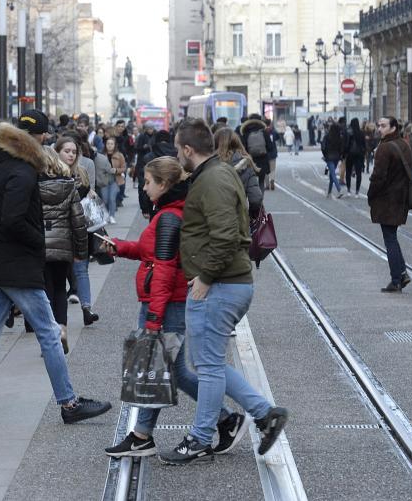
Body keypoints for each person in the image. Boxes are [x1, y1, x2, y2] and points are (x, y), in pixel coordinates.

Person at [0, 112, 112, 431]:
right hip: (19, 265)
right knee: (50, 333)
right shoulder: (24, 172)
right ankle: (69, 403)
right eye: (43, 136)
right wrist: (38, 242)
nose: (46, 141)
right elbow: (14, 220)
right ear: (36, 139)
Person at [163, 119, 287, 465]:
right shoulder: (215, 172)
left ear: (188, 150)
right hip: (225, 283)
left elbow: (226, 234)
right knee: (210, 364)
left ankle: (200, 437)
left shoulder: (214, 179)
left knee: (208, 368)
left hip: (219, 284)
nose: (177, 155)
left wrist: (204, 277)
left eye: (178, 149)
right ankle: (264, 414)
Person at [105, 156, 242, 458]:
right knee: (171, 370)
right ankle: (224, 418)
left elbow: (165, 268)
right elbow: (149, 252)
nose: (143, 187)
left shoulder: (168, 216)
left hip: (167, 303)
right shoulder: (167, 212)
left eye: (148, 181)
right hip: (169, 301)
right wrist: (121, 247)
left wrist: (154, 317)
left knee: (155, 366)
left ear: (164, 184)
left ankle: (143, 436)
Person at [37, 146, 88, 353]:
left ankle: (49, 334)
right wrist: (81, 252)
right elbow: (78, 221)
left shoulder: (33, 185)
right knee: (60, 289)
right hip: (63, 246)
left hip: (39, 246)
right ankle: (63, 329)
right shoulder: (68, 185)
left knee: (45, 292)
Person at [55, 135, 99, 325]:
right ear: (57, 152)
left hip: (81, 230)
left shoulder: (81, 173)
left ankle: (87, 309)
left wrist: (91, 196)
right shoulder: (51, 174)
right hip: (59, 232)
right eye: (67, 151)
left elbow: (89, 198)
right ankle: (57, 321)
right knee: (58, 275)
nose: (71, 155)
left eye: (74, 152)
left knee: (81, 270)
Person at [368, 117, 412, 292]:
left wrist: (371, 194)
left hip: (387, 199)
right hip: (401, 197)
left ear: (393, 127)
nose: (380, 128)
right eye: (379, 125)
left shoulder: (384, 148)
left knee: (390, 239)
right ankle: (401, 274)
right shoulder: (404, 145)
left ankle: (397, 279)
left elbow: (379, 176)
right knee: (392, 236)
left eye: (384, 126)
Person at [213, 128, 263, 217]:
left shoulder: (210, 164)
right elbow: (255, 199)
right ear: (237, 142)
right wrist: (251, 215)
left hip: (213, 219)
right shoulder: (246, 165)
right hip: (239, 220)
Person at [240, 115, 272, 189]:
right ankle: (260, 198)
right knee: (261, 181)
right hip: (263, 159)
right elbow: (270, 147)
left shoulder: (245, 132)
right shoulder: (264, 132)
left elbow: (243, 148)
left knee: (250, 181)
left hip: (250, 160)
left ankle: (252, 197)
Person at [102, 136, 126, 225]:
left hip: (115, 180)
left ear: (115, 145)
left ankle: (112, 216)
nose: (109, 146)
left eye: (111, 144)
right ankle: (106, 215)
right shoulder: (101, 155)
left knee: (112, 198)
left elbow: (124, 168)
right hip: (104, 180)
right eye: (108, 144)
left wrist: (116, 170)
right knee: (105, 199)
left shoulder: (119, 155)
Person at [321, 122, 346, 198]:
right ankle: (329, 192)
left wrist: (325, 155)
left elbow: (323, 147)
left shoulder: (327, 137)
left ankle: (339, 190)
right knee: (331, 174)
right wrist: (340, 156)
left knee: (333, 174)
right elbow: (342, 148)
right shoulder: (339, 137)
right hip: (336, 157)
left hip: (329, 157)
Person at [344, 118, 367, 196]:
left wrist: (344, 154)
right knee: (358, 173)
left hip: (350, 155)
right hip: (359, 155)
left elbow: (345, 145)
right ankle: (357, 191)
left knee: (348, 172)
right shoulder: (361, 133)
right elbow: (364, 145)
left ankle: (348, 190)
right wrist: (363, 154)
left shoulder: (349, 133)